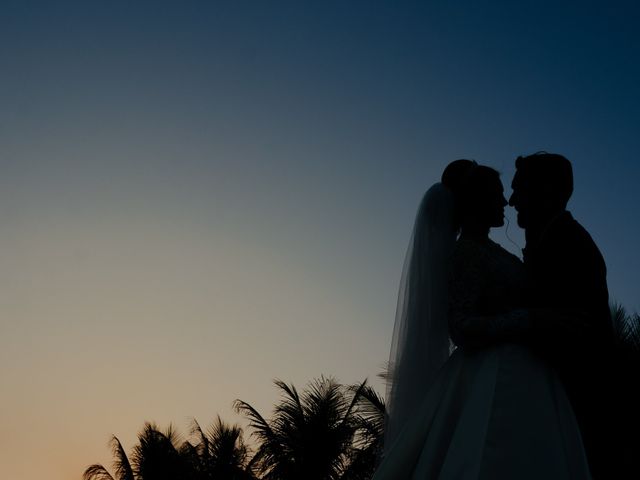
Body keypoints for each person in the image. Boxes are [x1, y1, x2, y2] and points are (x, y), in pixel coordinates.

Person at [374, 160, 591, 479]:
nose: (506, 202)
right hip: (492, 370)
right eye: (498, 194)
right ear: (477, 201)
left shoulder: (492, 250)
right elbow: (461, 326)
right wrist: (529, 319)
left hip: (527, 368)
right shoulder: (465, 254)